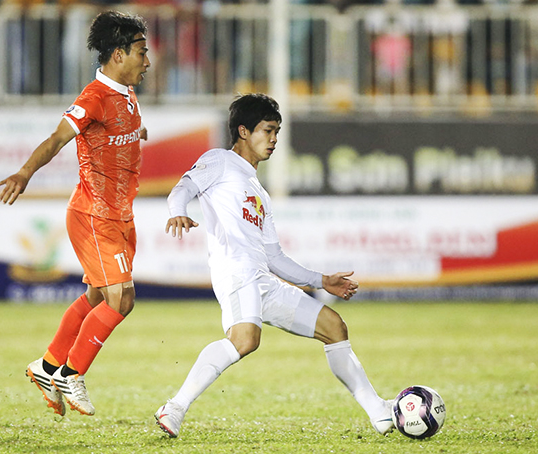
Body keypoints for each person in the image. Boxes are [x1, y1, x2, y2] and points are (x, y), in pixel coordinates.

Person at [155, 93, 394, 437]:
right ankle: (174, 408)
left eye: (277, 132)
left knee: (333, 326)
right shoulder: (219, 161)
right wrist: (178, 210)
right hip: (235, 271)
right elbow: (182, 188)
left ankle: (379, 412)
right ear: (242, 131)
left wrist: (321, 280)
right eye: (267, 130)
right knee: (245, 339)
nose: (274, 139)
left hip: (261, 278)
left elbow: (274, 257)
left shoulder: (258, 192)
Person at [0, 10, 150, 417]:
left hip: (119, 214)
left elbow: (118, 132)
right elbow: (57, 138)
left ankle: (46, 367)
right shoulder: (94, 97)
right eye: (141, 52)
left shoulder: (127, 96)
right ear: (118, 54)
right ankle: (71, 373)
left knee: (98, 296)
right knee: (121, 300)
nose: (147, 61)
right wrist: (25, 172)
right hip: (94, 214)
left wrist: (137, 133)